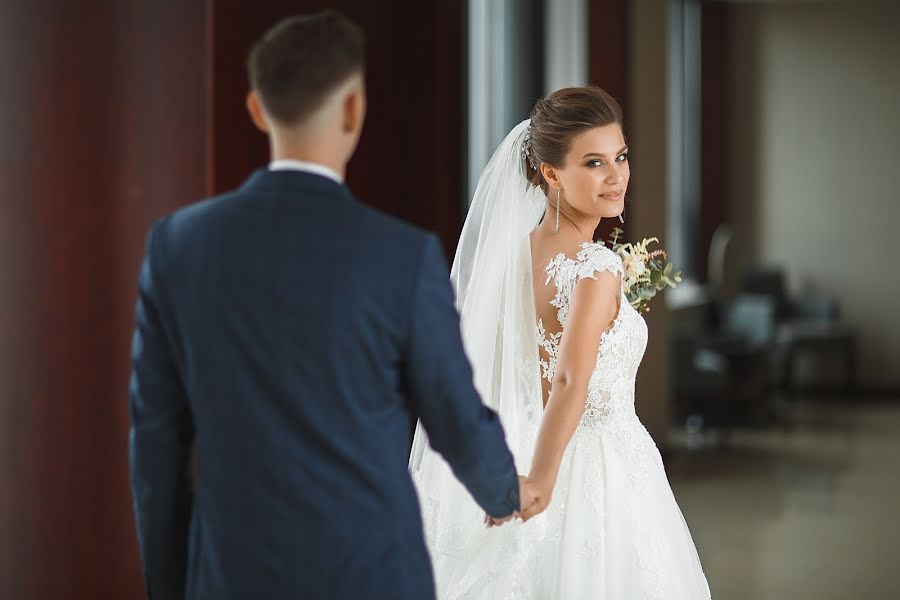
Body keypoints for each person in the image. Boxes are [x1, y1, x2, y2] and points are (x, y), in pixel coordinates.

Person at [128, 12, 536, 600]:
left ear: (256, 109)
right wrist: (503, 491)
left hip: (232, 572)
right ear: (353, 109)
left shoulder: (177, 247)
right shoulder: (403, 256)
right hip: (370, 568)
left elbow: (156, 447)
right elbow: (452, 411)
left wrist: (171, 586)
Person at [410, 86, 711, 599]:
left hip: (522, 444)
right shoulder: (598, 267)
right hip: (599, 468)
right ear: (551, 173)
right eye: (593, 163)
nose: (616, 176)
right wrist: (541, 482)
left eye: (620, 157)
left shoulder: (507, 260)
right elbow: (571, 378)